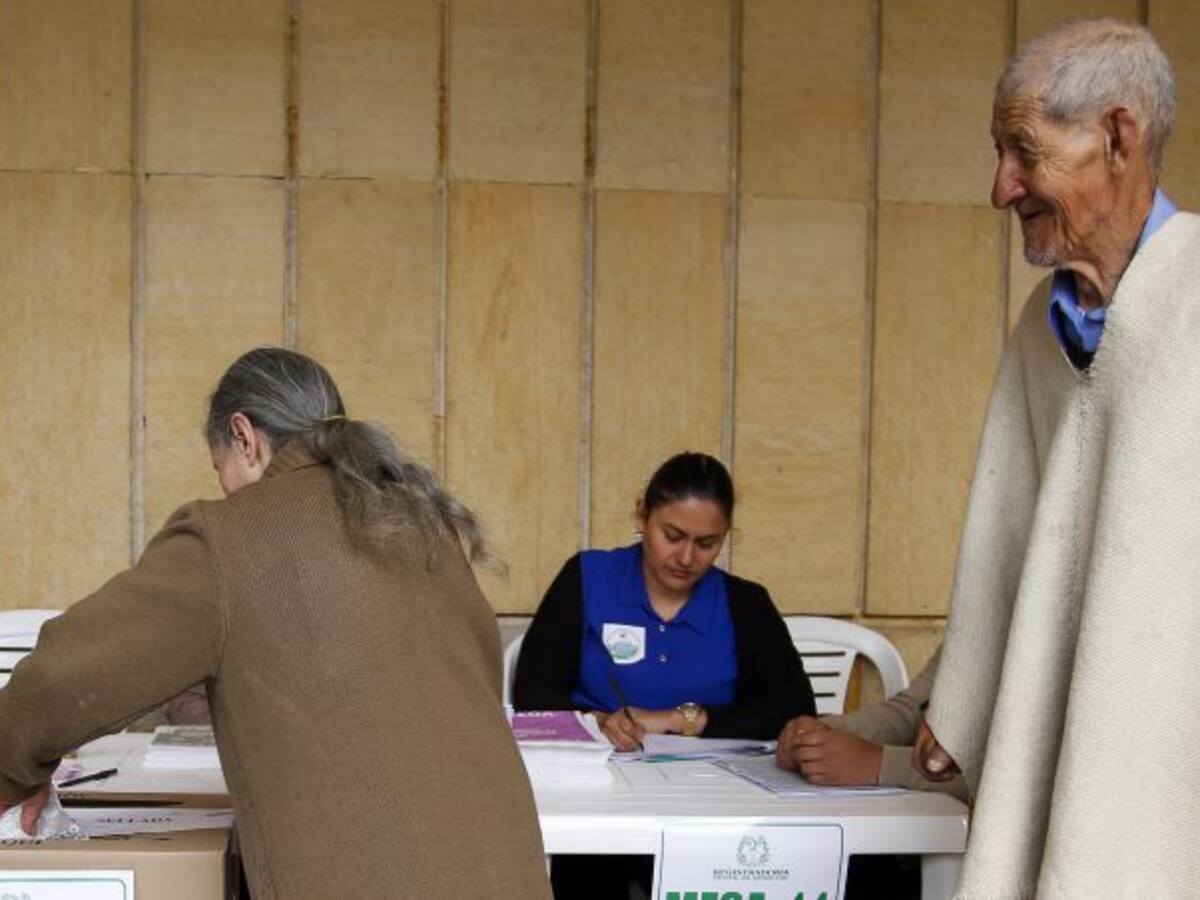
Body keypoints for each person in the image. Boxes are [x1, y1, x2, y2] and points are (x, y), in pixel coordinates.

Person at [0, 348, 551, 900]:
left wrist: (10, 774)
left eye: (222, 472)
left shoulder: (229, 538)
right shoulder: (420, 521)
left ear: (244, 436)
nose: (225, 492)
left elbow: (63, 681)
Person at [910, 19, 1200, 896]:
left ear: (1117, 138)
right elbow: (1006, 539)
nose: (1003, 188)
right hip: (1057, 730)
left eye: (1024, 153)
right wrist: (960, 702)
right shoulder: (1043, 327)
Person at [514, 451, 815, 746]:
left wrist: (680, 720)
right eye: (672, 536)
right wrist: (601, 721)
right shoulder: (587, 578)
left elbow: (795, 713)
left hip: (712, 782)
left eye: (707, 543)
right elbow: (531, 696)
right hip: (597, 769)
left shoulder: (746, 604)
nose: (686, 558)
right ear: (642, 515)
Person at [776, 644, 966, 800]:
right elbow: (909, 711)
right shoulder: (974, 619)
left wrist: (879, 764)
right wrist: (821, 734)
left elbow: (992, 784)